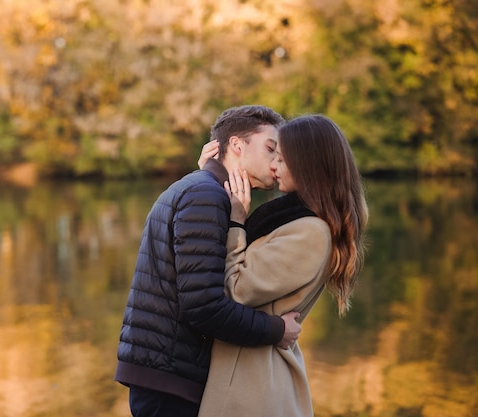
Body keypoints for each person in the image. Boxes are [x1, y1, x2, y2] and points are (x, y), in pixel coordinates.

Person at [115, 105, 303, 417]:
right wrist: (274, 330)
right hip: (171, 383)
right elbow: (202, 304)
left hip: (167, 375)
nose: (276, 162)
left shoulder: (202, 189)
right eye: (270, 149)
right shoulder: (205, 195)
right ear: (237, 145)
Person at [196, 114, 369, 417]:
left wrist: (237, 221)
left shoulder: (311, 233)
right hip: (245, 371)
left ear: (309, 166)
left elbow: (237, 289)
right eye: (273, 154)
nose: (274, 166)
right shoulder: (290, 219)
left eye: (282, 159)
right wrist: (211, 178)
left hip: (253, 384)